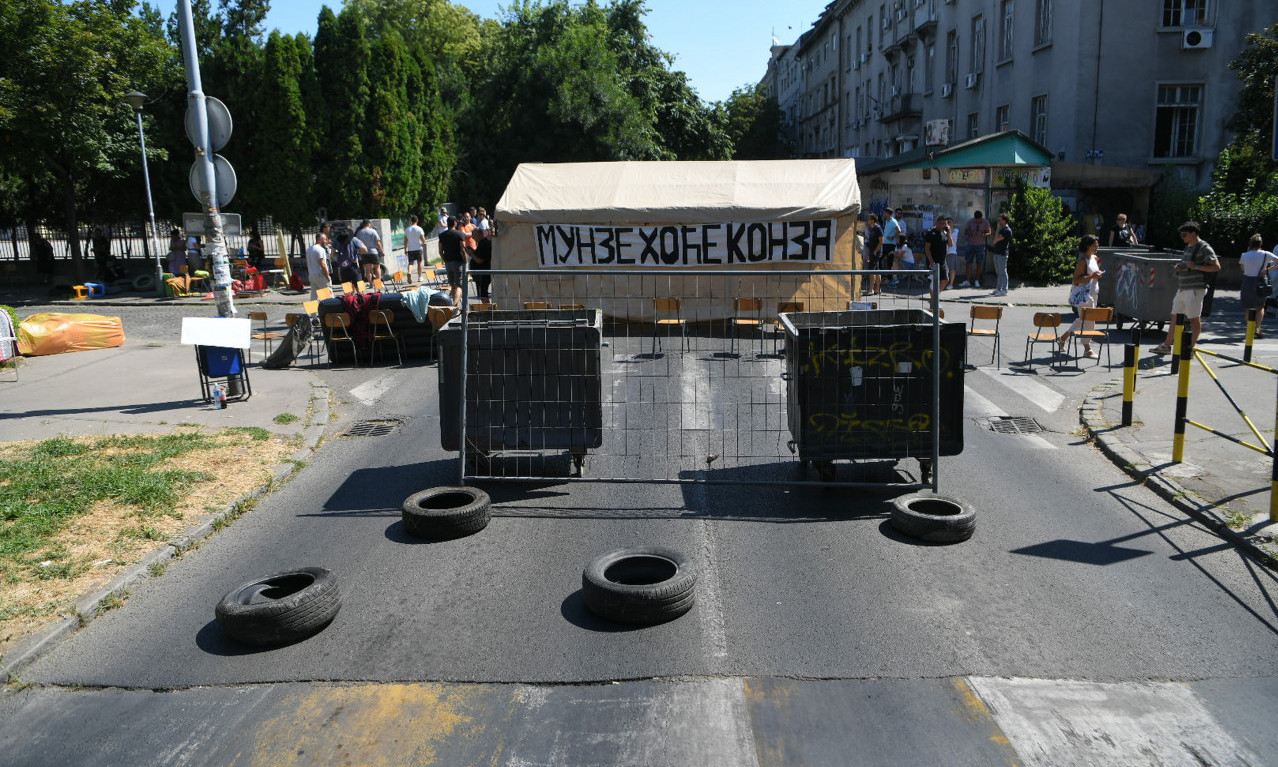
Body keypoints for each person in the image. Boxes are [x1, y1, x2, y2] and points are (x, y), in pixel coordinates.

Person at [1153, 221, 1221, 354]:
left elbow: (1216, 266)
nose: (1182, 237)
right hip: (1183, 288)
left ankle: (1190, 348)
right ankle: (1167, 345)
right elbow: (1187, 264)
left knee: (1194, 319)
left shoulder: (1204, 247)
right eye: (1181, 235)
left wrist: (1196, 266)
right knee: (1174, 316)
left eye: (1184, 235)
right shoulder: (1189, 247)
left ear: (1193, 233)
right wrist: (1180, 267)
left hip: (1195, 289)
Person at [1059, 234, 1104, 358]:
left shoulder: (1094, 258)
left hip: (1093, 293)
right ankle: (1087, 349)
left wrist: (1097, 274)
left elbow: (1093, 273)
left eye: (1097, 245)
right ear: (1087, 246)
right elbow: (1076, 280)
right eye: (1094, 245)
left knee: (1085, 319)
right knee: (1088, 320)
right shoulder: (1082, 261)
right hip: (1084, 295)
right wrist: (1092, 276)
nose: (1097, 247)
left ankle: (1063, 337)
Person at [1239, 234, 1277, 335]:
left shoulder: (1244, 255)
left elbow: (1243, 269)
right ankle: (1258, 327)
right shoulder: (1266, 254)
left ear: (1250, 244)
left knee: (1248, 307)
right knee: (1260, 306)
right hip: (1261, 281)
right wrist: (1267, 270)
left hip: (1248, 281)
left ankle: (1250, 329)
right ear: (1261, 244)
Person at [437, 216, 470, 308]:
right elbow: (462, 249)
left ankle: (456, 306)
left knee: (453, 285)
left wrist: (445, 260)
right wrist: (465, 260)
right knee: (459, 285)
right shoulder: (460, 234)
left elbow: (440, 251)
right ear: (455, 223)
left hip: (448, 262)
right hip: (458, 262)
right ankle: (454, 306)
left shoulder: (442, 235)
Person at [960, 210, 991, 288]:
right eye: (976, 219)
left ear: (981, 217)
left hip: (981, 245)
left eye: (979, 219)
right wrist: (972, 233)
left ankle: (977, 280)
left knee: (979, 263)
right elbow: (965, 231)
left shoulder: (986, 222)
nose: (977, 221)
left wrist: (982, 234)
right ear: (974, 218)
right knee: (968, 262)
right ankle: (968, 280)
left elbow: (989, 232)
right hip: (971, 244)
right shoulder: (970, 221)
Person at [923, 217, 950, 299]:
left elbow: (951, 244)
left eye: (945, 224)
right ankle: (934, 301)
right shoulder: (930, 233)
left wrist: (949, 233)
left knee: (945, 280)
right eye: (942, 224)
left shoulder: (945, 233)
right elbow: (927, 248)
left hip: (942, 261)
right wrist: (931, 261)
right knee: (934, 282)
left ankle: (934, 299)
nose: (943, 226)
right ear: (937, 223)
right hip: (933, 261)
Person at [990, 213, 1012, 296]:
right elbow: (995, 240)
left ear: (1004, 221)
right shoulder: (1002, 230)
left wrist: (998, 229)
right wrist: (998, 229)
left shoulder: (1007, 231)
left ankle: (1004, 290)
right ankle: (998, 288)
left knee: (1003, 272)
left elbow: (996, 240)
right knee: (998, 272)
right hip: (997, 253)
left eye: (1000, 220)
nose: (999, 221)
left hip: (1002, 254)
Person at [306, 231, 332, 301]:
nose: (326, 241)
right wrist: (327, 276)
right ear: (320, 239)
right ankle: (330, 307)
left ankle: (313, 308)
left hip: (312, 275)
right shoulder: (320, 249)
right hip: (320, 275)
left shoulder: (309, 249)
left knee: (314, 296)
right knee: (328, 295)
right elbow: (322, 264)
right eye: (325, 239)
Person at [471, 226, 493, 301]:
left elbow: (480, 260)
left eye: (474, 235)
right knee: (482, 294)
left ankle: (487, 308)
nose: (473, 238)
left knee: (483, 294)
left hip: (483, 273)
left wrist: (471, 253)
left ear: (480, 234)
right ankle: (486, 307)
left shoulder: (483, 243)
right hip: (481, 273)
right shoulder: (481, 243)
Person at [863, 214, 884, 295]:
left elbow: (881, 241)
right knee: (876, 270)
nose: (868, 220)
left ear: (873, 220)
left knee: (871, 270)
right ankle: (878, 289)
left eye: (869, 219)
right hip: (872, 251)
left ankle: (871, 289)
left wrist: (876, 251)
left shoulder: (878, 228)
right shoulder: (871, 229)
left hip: (876, 252)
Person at [404, 214, 427, 282]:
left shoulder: (407, 229)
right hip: (418, 248)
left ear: (411, 221)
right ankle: (420, 277)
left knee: (411, 263)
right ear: (417, 220)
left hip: (410, 249)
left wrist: (405, 249)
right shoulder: (419, 228)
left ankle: (409, 272)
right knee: (419, 262)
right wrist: (421, 244)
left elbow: (405, 240)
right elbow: (423, 239)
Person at [881, 208, 901, 285]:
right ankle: (882, 276)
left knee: (890, 262)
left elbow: (899, 230)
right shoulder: (887, 221)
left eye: (885, 213)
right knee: (881, 260)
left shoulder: (893, 221)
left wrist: (893, 237)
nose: (884, 214)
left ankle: (890, 278)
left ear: (888, 213)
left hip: (890, 244)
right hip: (885, 243)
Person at [943, 216, 959, 290]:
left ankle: (951, 284)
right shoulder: (943, 231)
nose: (949, 224)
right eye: (947, 222)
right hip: (944, 252)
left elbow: (952, 239)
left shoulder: (956, 231)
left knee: (952, 269)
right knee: (944, 269)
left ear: (953, 223)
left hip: (952, 252)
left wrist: (949, 231)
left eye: (950, 222)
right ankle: (944, 283)